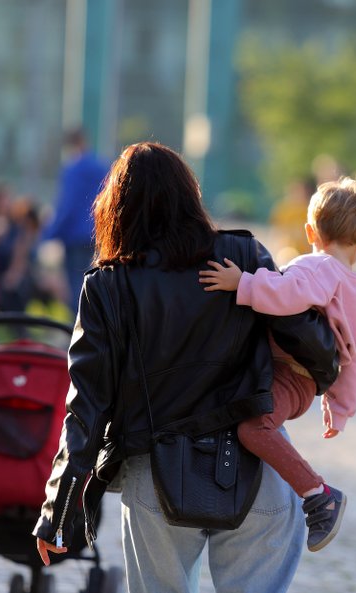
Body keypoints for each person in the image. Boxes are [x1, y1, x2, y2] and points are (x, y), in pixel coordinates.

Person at [33, 142, 339, 593]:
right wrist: (313, 380)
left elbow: (87, 408)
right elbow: (315, 345)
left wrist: (58, 513)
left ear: (115, 209)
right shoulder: (243, 256)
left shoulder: (106, 286)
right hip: (258, 470)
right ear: (189, 196)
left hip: (155, 479)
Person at [200, 177, 356, 552]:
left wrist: (241, 283)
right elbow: (354, 360)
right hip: (306, 385)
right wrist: (339, 409)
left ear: (310, 230)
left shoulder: (318, 268)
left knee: (254, 429)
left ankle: (319, 494)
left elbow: (287, 293)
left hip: (285, 375)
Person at [40, 128, 109, 315]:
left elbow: (67, 205)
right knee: (95, 284)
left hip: (75, 237)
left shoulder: (72, 169)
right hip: (99, 234)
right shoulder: (101, 166)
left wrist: (47, 234)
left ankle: (78, 333)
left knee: (77, 288)